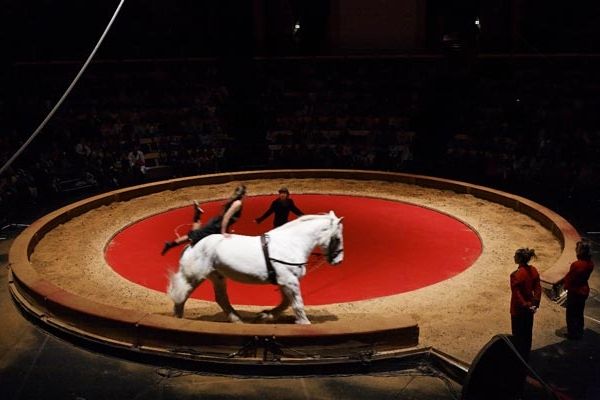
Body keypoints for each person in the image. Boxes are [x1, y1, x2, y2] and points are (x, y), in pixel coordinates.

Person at [161, 184, 247, 255]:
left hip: (216, 223)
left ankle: (197, 215)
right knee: (193, 236)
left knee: (194, 234)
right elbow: (226, 217)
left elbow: (225, 215)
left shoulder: (233, 201)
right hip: (216, 226)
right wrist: (223, 232)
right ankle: (170, 244)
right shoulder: (238, 203)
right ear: (243, 194)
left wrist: (227, 229)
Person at [556, 240, 594, 340]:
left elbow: (570, 278)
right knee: (579, 313)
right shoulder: (590, 264)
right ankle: (579, 331)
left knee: (571, 313)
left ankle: (572, 333)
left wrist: (565, 285)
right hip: (584, 290)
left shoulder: (577, 264)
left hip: (575, 291)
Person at [509, 247, 541, 361]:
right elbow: (538, 289)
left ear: (519, 259)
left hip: (519, 309)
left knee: (518, 334)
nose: (514, 257)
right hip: (530, 307)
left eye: (515, 256)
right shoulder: (533, 270)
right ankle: (526, 355)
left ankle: (518, 358)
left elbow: (517, 295)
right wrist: (535, 304)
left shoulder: (516, 275)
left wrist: (525, 305)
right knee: (527, 333)